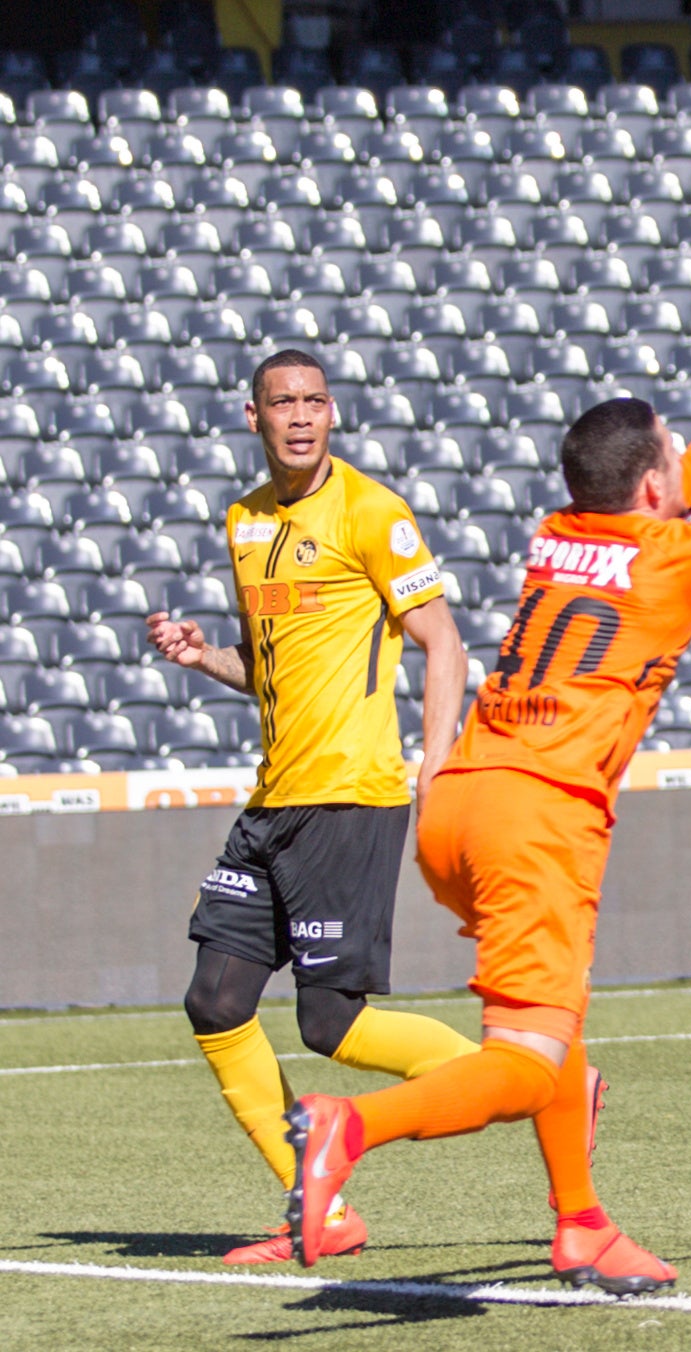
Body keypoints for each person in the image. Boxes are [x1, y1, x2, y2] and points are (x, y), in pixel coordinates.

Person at [283, 311, 691, 1293]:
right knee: (525, 1063)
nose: (686, 465)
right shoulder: (674, 556)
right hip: (539, 823)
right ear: (651, 488)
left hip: (458, 806)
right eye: (673, 458)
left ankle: (582, 1223)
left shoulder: (560, 534)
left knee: (559, 1017)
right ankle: (352, 1125)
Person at [148, 349, 482, 1263]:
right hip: (272, 798)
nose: (299, 416)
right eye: (281, 403)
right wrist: (203, 656)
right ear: (251, 417)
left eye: (314, 401)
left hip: (348, 797)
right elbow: (271, 673)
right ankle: (321, 1214)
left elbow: (442, 643)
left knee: (329, 1024)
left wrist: (436, 763)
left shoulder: (373, 512)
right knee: (215, 999)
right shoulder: (245, 522)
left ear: (333, 415)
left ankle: (529, 1079)